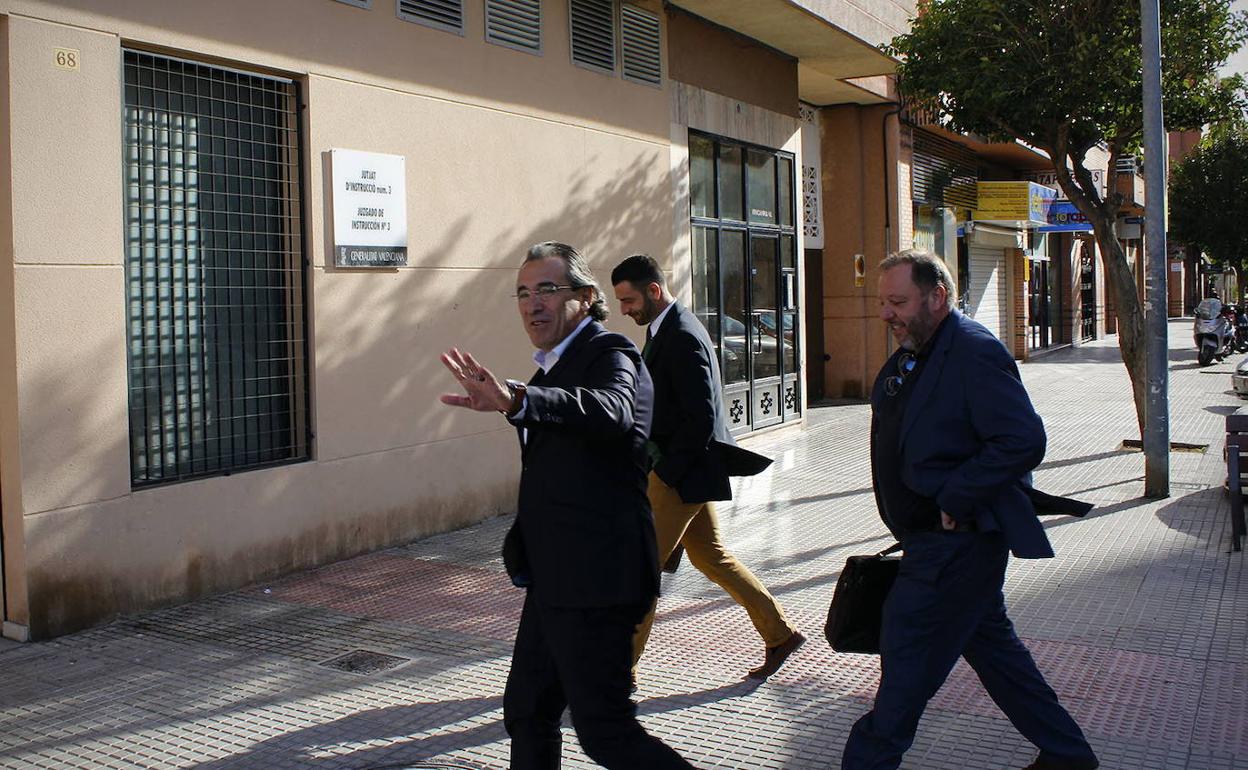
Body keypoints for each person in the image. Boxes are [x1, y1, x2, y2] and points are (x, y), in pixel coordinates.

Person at [440, 242, 694, 770]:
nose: (533, 304)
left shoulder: (610, 354)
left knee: (605, 733)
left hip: (599, 579)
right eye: (523, 293)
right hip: (557, 577)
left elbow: (610, 411)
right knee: (529, 711)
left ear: (585, 297)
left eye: (548, 290)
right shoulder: (551, 368)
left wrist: (516, 400)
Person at [842, 250, 1098, 770]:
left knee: (903, 676)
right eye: (882, 303)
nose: (886, 314)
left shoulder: (974, 351)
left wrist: (956, 498)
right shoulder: (919, 348)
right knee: (997, 656)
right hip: (933, 545)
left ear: (937, 297)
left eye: (897, 302)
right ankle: (1068, 754)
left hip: (954, 549)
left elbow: (1022, 439)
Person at [610, 254, 805, 685]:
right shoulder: (667, 328)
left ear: (654, 291)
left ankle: (618, 675)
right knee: (712, 557)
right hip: (685, 473)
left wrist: (668, 473)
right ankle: (779, 635)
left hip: (679, 477)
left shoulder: (680, 334)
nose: (624, 309)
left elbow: (701, 416)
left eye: (628, 300)